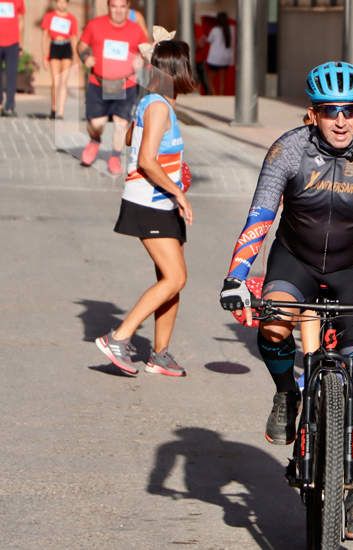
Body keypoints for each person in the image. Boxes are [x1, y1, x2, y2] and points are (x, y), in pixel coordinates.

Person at [218, 61, 353, 540]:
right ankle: (286, 393)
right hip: (294, 260)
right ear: (312, 113)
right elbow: (260, 215)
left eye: (351, 109)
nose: (341, 120)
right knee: (274, 326)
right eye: (329, 110)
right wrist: (237, 275)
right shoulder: (287, 150)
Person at [94, 39, 196, 377]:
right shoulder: (158, 106)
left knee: (170, 278)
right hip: (149, 203)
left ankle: (160, 354)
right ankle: (118, 337)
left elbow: (129, 140)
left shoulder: (156, 102)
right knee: (175, 276)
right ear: (177, 70)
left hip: (160, 201)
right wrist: (178, 194)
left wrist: (175, 177)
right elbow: (146, 160)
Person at [76, 0, 148, 175]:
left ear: (128, 8)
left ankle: (115, 156)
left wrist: (142, 60)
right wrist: (86, 57)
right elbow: (81, 46)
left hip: (125, 84)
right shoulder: (95, 25)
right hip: (99, 83)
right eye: (114, 6)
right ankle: (94, 141)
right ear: (108, 7)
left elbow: (146, 52)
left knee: (121, 123)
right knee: (96, 123)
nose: (118, 11)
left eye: (122, 7)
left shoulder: (136, 30)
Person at [40, 0, 79, 119]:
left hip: (66, 47)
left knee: (64, 81)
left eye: (64, 2)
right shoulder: (50, 16)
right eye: (59, 2)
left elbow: (74, 38)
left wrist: (76, 58)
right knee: (55, 81)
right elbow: (45, 36)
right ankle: (54, 107)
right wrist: (45, 56)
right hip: (54, 46)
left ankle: (61, 111)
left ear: (67, 4)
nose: (62, 5)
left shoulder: (72, 19)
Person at [0, 0, 24, 117]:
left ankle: (9, 106)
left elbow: (21, 21)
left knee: (11, 75)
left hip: (12, 42)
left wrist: (20, 44)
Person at [204, 11, 232, 95]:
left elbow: (208, 40)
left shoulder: (215, 30)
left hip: (215, 59)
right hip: (225, 58)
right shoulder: (228, 29)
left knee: (209, 79)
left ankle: (214, 94)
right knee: (222, 80)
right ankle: (221, 94)